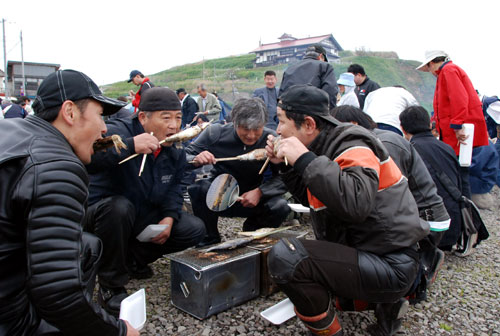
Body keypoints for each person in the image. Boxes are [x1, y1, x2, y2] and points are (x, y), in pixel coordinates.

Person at [265, 84, 429, 336]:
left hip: (391, 263)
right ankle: (380, 305)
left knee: (287, 256)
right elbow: (318, 197)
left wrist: (304, 159)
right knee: (309, 259)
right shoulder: (324, 146)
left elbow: (355, 203)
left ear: (308, 124)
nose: (277, 130)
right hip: (373, 252)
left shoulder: (353, 142)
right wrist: (286, 166)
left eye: (281, 121)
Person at [0, 69, 138, 335]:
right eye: (99, 115)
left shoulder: (10, 130)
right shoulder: (57, 166)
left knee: (88, 245)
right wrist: (119, 331)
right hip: (10, 320)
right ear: (70, 111)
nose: (104, 128)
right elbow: (58, 294)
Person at [85, 87, 205, 316]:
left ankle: (131, 260)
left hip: (142, 212)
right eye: (166, 117)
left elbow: (176, 186)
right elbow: (91, 152)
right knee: (118, 208)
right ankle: (110, 286)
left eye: (178, 118)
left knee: (193, 229)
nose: (174, 125)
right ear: (143, 117)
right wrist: (130, 145)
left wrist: (169, 217)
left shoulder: (174, 148)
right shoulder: (118, 130)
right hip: (103, 213)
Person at [333, 105, 450, 301]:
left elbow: (390, 198)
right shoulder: (376, 139)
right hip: (423, 215)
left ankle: (415, 278)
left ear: (352, 124)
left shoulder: (382, 144)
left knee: (377, 240)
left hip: (428, 221)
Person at [186, 97, 290, 246]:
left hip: (252, 199)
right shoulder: (215, 133)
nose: (251, 135)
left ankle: (252, 234)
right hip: (219, 197)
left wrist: (261, 192)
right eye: (245, 129)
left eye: (257, 129)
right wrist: (196, 158)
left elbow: (284, 177)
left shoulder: (271, 140)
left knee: (280, 206)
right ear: (234, 122)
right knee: (199, 189)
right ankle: (209, 237)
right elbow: (183, 156)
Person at [416, 50, 489, 201]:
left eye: (428, 67)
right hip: (455, 128)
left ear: (431, 63)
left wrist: (457, 126)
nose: (430, 71)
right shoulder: (448, 71)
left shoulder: (448, 71)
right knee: (459, 169)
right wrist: (436, 122)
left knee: (459, 170)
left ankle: (463, 207)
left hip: (457, 131)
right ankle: (463, 206)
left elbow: (459, 98)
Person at [399, 106, 465, 251]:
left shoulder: (408, 150)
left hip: (428, 233)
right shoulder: (447, 148)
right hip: (452, 227)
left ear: (402, 128)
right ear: (430, 125)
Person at [279, 44, 338, 110]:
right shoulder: (325, 66)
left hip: (291, 114)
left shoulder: (289, 69)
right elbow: (330, 92)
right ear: (320, 56)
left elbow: (281, 95)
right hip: (314, 113)